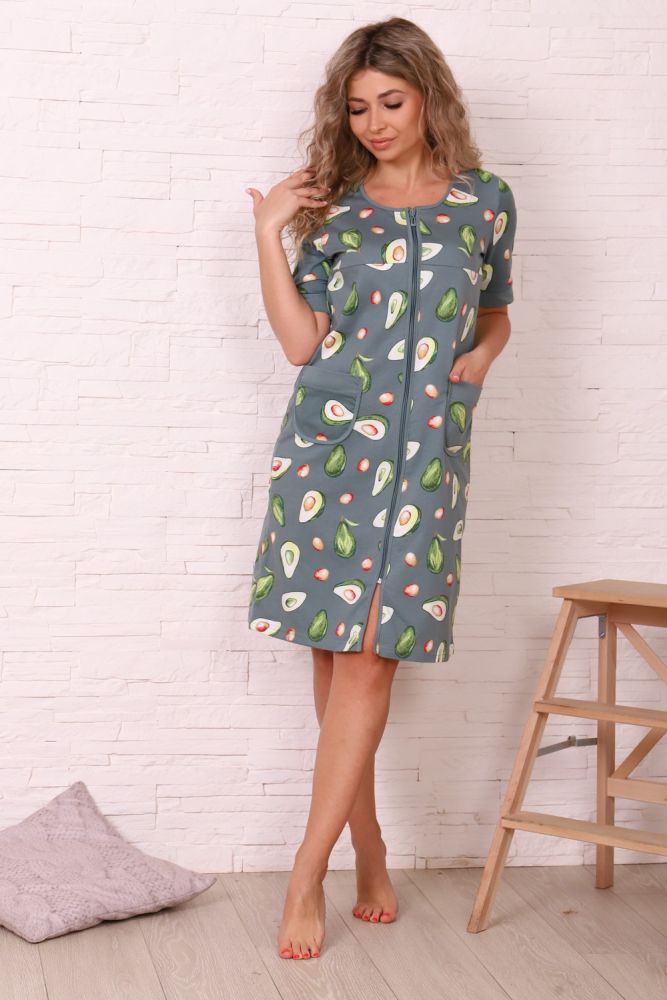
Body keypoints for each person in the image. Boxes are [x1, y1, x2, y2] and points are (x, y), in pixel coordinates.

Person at [245, 15, 517, 962]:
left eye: (390, 102)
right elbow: (300, 343)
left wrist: (479, 360)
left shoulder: (484, 201)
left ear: (428, 96)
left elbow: (495, 312)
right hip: (329, 455)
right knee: (337, 662)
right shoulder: (333, 208)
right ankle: (367, 850)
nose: (374, 123)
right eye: (358, 108)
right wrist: (268, 231)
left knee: (369, 661)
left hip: (428, 457)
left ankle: (304, 873)